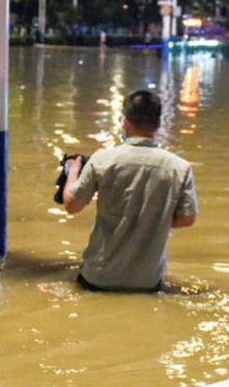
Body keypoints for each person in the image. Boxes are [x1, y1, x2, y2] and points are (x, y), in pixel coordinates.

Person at [62, 89, 198, 291]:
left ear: (124, 121)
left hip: (98, 277)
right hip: (148, 282)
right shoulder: (179, 168)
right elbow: (188, 218)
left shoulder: (103, 160)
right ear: (158, 125)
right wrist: (152, 220)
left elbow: (71, 205)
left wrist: (73, 170)